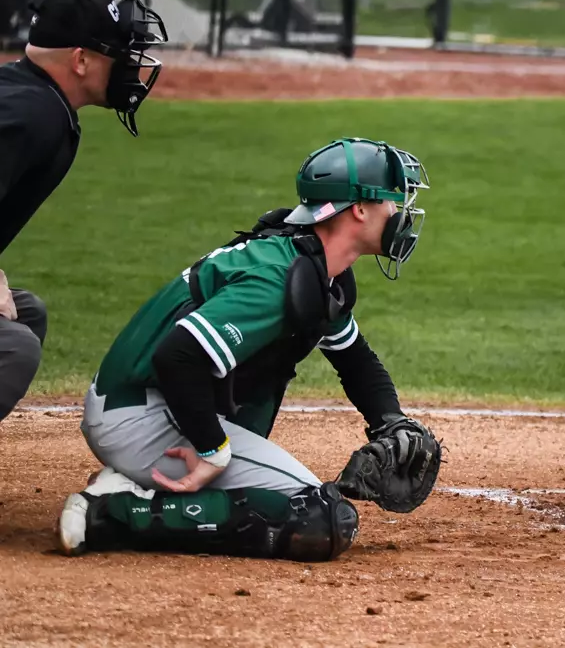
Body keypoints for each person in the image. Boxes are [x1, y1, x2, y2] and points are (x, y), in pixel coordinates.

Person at [57, 137, 437, 561]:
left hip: (153, 403)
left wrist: (392, 423)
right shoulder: (279, 279)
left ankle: (134, 481)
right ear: (360, 209)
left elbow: (354, 359)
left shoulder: (314, 269)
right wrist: (212, 451)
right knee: (317, 517)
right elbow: (177, 356)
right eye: (392, 202)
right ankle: (111, 514)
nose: (399, 214)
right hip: (140, 414)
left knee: (306, 505)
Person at [0, 0, 166, 423]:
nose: (132, 68)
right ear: (81, 60)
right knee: (12, 348)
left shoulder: (27, 96)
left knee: (25, 314)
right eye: (122, 56)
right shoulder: (35, 114)